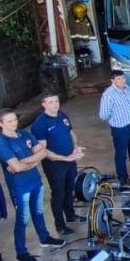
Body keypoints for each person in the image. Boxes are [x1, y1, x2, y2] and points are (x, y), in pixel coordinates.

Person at [0, 109, 66, 261]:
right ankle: (21, 253)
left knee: (38, 212)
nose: (14, 123)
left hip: (35, 181)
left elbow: (43, 151)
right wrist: (33, 161)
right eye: (9, 121)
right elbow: (17, 168)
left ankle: (44, 238)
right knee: (23, 220)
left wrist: (25, 162)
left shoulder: (24, 134)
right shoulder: (1, 143)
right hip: (19, 187)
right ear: (0, 124)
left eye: (14, 120)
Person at [30, 93, 85, 236]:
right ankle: (60, 225)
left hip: (70, 160)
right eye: (50, 102)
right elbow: (43, 151)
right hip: (55, 166)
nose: (54, 104)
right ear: (44, 105)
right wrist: (65, 158)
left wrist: (75, 148)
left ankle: (71, 216)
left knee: (69, 189)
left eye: (56, 101)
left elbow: (71, 133)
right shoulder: (40, 124)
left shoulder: (62, 115)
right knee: (58, 194)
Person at [99, 71, 130, 184]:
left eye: (123, 78)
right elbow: (103, 115)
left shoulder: (127, 88)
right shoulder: (108, 95)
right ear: (112, 81)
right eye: (119, 79)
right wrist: (115, 118)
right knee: (121, 153)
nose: (123, 80)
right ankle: (123, 177)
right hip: (120, 128)